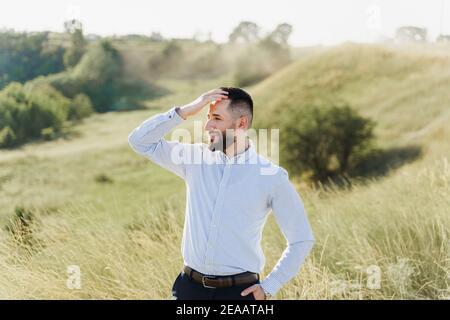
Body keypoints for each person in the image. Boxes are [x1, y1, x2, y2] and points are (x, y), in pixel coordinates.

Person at [128, 87, 315, 300]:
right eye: (207, 117)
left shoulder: (271, 176)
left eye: (216, 118)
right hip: (188, 290)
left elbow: (301, 239)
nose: (207, 125)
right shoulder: (194, 159)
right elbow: (139, 141)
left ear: (241, 123)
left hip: (240, 294)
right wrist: (188, 110)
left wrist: (269, 286)